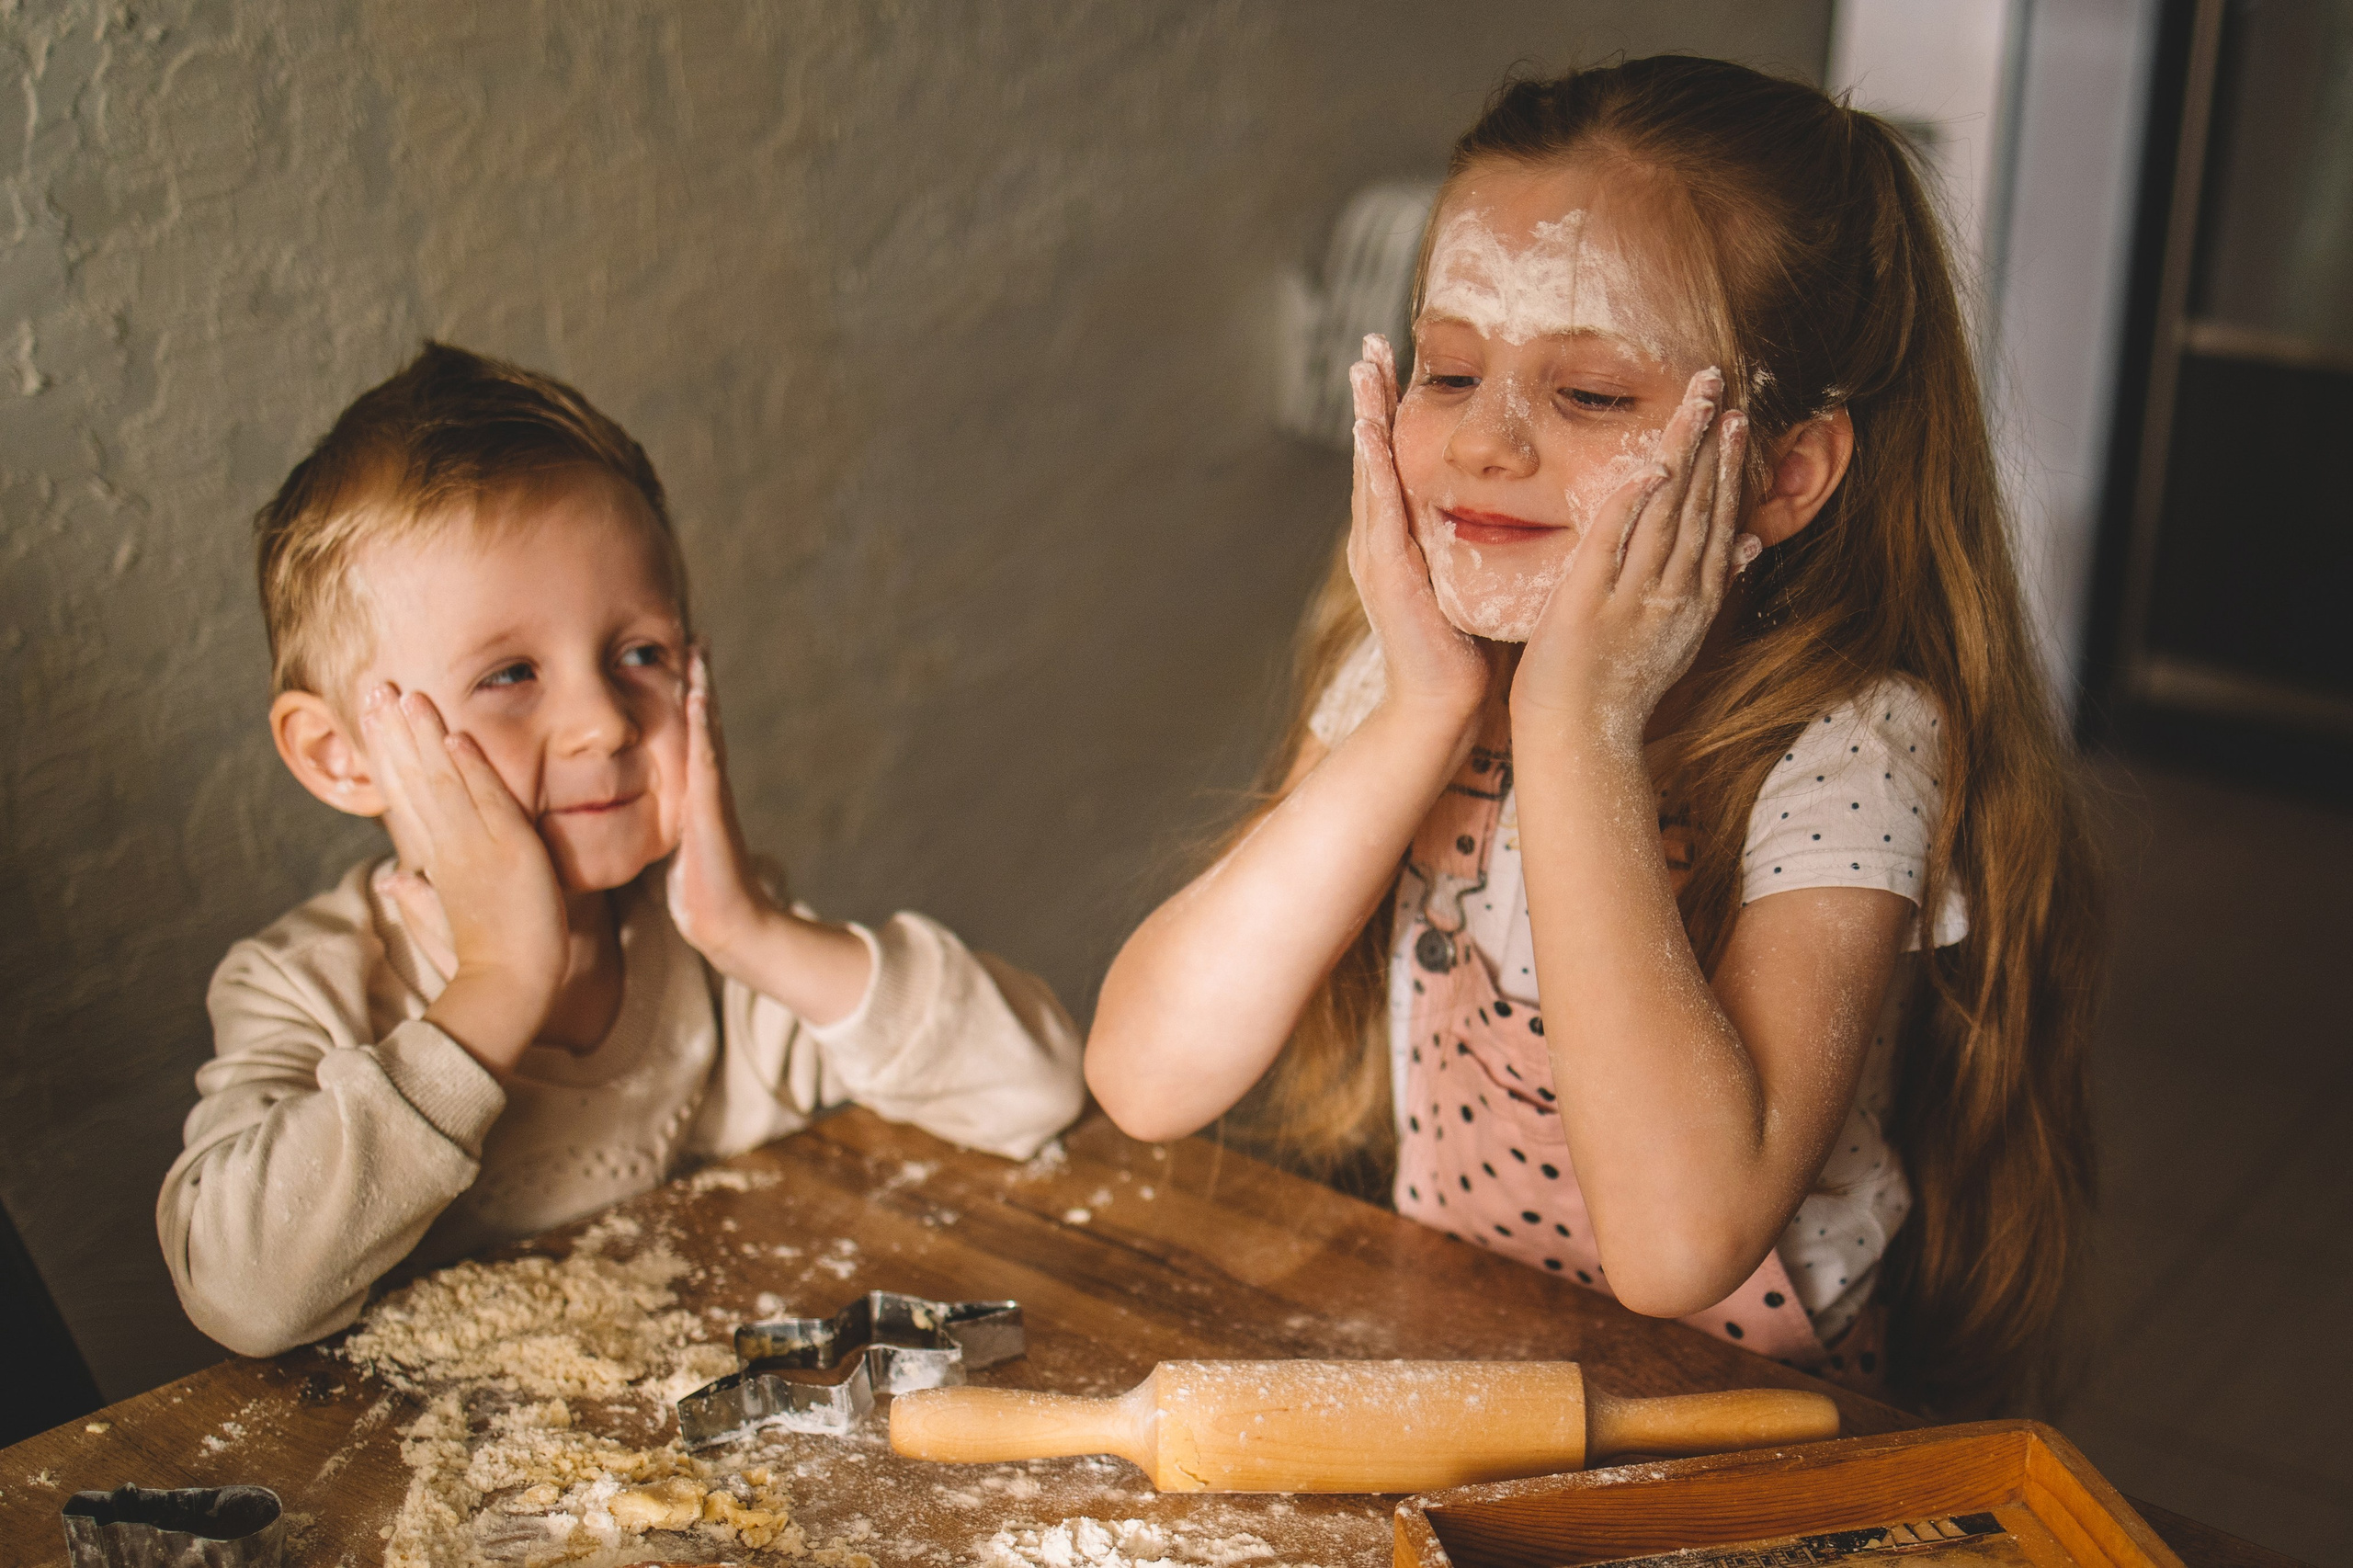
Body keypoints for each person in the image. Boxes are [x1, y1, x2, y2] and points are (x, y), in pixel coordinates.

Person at [1086, 57, 2098, 1415]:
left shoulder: (1850, 741)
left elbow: (1683, 1244)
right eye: (1449, 369)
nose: (1490, 442)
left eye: (1592, 397)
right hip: (1454, 1356)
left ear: (1783, 470)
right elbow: (1145, 1074)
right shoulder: (1420, 678)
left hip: (1741, 1421)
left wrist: (1579, 721)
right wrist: (1428, 707)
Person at [160, 343, 1085, 1358]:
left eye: (640, 653)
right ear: (342, 756)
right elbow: (244, 1294)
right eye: (510, 672)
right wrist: (500, 979)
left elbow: (1036, 1087)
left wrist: (755, 932)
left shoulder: (708, 954)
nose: (603, 720)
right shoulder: (309, 989)